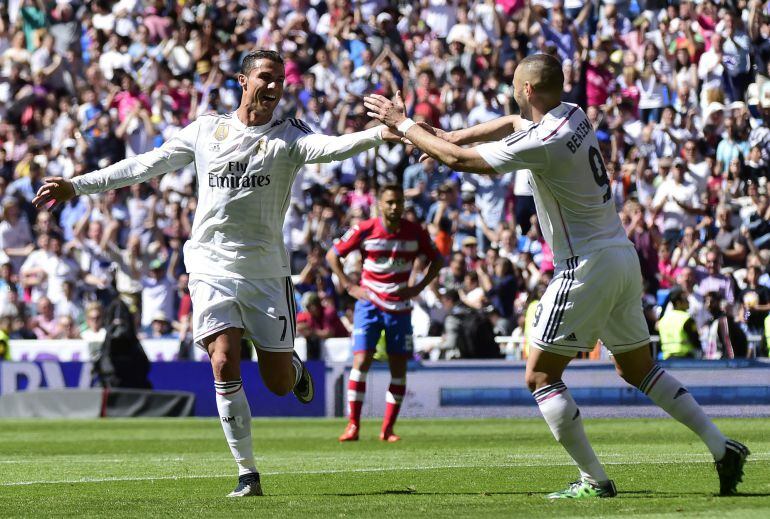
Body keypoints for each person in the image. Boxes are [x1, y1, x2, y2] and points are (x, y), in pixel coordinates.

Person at [363, 53, 749, 498]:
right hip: (620, 257)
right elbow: (509, 124)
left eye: (513, 82)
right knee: (638, 367)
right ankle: (722, 448)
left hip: (584, 264)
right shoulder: (574, 114)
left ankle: (594, 480)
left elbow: (460, 162)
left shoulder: (543, 141)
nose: (511, 90)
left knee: (540, 376)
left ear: (527, 88)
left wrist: (406, 126)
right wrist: (437, 132)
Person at [32, 49, 400, 498]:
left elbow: (335, 146)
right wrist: (79, 184)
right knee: (223, 361)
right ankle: (248, 474)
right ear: (242, 81)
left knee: (279, 384)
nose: (273, 87)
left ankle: (293, 370)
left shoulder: (289, 137)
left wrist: (388, 131)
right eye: (265, 77)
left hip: (266, 272)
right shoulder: (207, 129)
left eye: (280, 80)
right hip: (209, 265)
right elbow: (145, 165)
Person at [326, 184, 443, 442]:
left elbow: (438, 260)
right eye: (389, 202)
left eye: (398, 202)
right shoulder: (365, 229)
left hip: (399, 308)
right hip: (368, 304)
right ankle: (353, 425)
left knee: (398, 367)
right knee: (361, 362)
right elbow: (333, 255)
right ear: (380, 203)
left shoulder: (415, 232)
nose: (394, 207)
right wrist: (348, 285)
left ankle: (388, 428)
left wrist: (419, 287)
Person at [657, 286, 701, 360]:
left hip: (667, 360)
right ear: (678, 303)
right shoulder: (687, 319)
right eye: (685, 299)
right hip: (686, 359)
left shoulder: (663, 320)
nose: (688, 302)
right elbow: (696, 341)